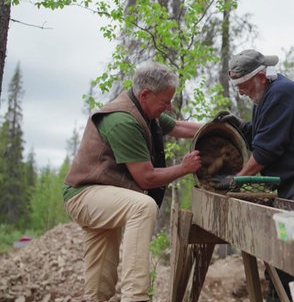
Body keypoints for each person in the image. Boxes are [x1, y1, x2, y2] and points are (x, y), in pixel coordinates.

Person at [62, 61, 202, 302]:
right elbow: (146, 177)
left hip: (106, 195)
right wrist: (184, 168)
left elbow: (179, 127)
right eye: (165, 101)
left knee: (99, 284)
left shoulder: (146, 111)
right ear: (145, 94)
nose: (169, 107)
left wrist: (217, 128)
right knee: (142, 206)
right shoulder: (123, 120)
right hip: (84, 194)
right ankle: (135, 297)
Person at [215, 49, 294, 302]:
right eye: (236, 86)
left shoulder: (282, 93)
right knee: (283, 261)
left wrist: (237, 180)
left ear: (260, 76)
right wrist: (240, 126)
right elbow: (265, 135)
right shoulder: (266, 96)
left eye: (243, 84)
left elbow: (266, 151)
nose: (240, 91)